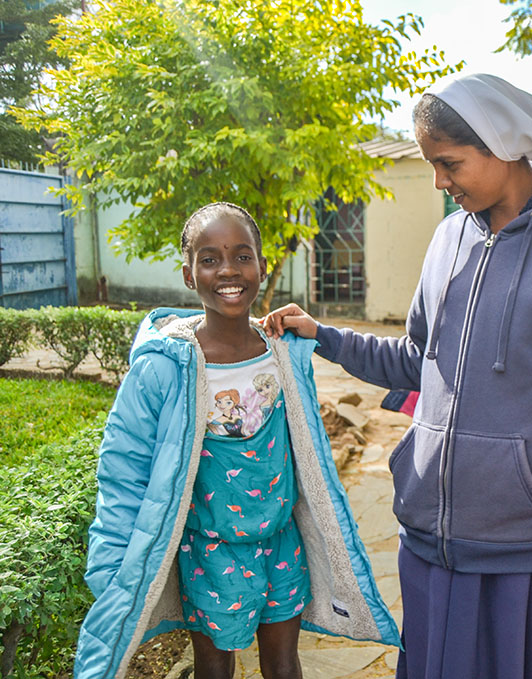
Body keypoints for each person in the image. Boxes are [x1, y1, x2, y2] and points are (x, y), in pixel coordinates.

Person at [265, 73, 532, 679]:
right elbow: (418, 361)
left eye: (449, 163)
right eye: (431, 164)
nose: (438, 182)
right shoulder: (449, 239)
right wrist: (326, 337)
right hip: (432, 544)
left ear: (504, 143)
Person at [74, 202, 399, 679]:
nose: (228, 270)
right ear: (189, 274)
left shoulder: (282, 357)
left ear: (262, 266)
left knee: (285, 664)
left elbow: (304, 452)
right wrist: (111, 565)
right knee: (213, 667)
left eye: (242, 256)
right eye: (209, 259)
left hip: (282, 544)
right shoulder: (166, 367)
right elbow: (124, 466)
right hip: (210, 553)